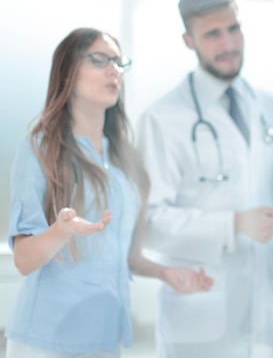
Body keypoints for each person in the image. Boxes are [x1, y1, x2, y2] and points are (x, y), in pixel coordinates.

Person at [4, 27, 212, 358]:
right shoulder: (39, 150)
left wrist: (164, 272)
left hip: (105, 338)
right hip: (46, 339)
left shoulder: (124, 161)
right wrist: (62, 230)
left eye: (118, 62)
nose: (113, 70)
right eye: (98, 60)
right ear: (68, 72)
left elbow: (121, 255)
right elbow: (24, 260)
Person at [136, 0, 273, 358]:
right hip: (200, 314)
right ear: (188, 40)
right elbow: (150, 224)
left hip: (266, 309)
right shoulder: (162, 119)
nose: (228, 44)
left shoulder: (272, 110)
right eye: (212, 35)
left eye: (233, 29)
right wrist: (234, 224)